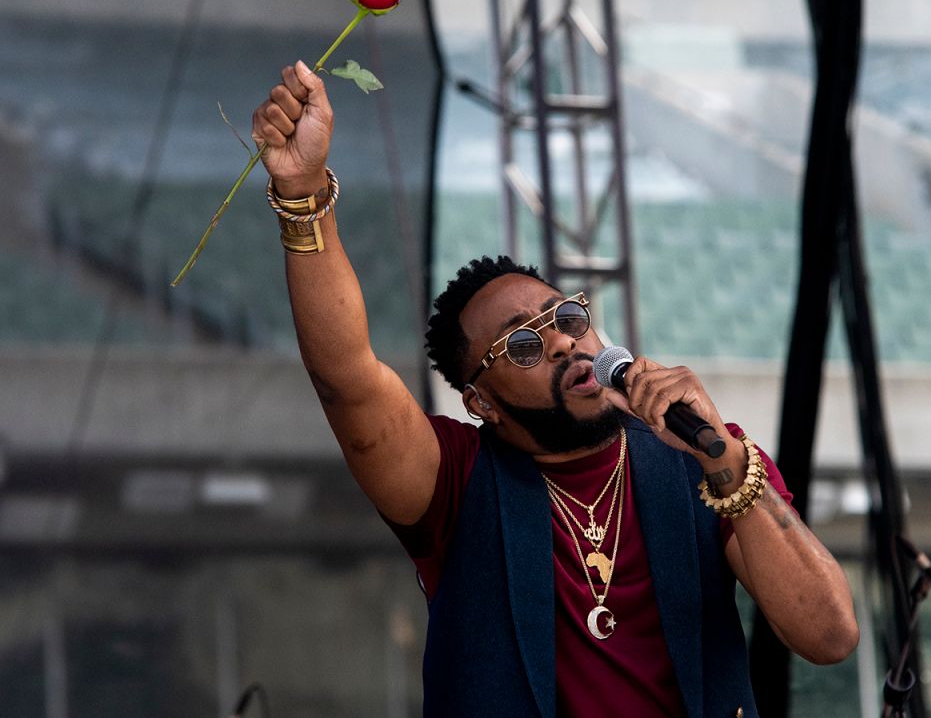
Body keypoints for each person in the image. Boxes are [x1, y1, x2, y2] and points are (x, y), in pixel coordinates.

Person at [251, 60, 859, 717]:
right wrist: (303, 193)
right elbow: (346, 378)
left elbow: (828, 636)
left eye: (567, 318)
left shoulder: (706, 461)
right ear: (480, 401)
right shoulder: (453, 479)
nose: (565, 341)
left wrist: (725, 462)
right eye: (522, 342)